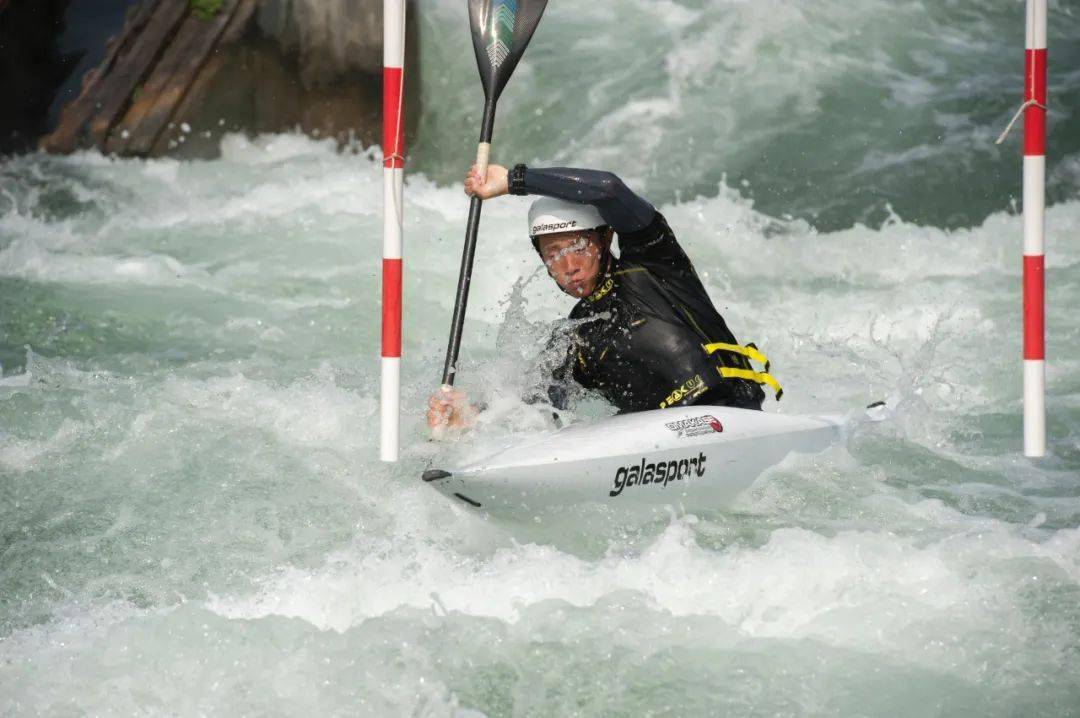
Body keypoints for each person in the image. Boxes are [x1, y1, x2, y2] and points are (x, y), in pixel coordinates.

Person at [427, 162, 781, 431]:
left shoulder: (654, 264)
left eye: (578, 245)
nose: (568, 265)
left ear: (604, 238)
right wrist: (467, 419)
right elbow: (528, 406)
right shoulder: (576, 337)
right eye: (552, 255)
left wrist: (514, 181)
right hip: (658, 443)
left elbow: (610, 190)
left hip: (732, 416)